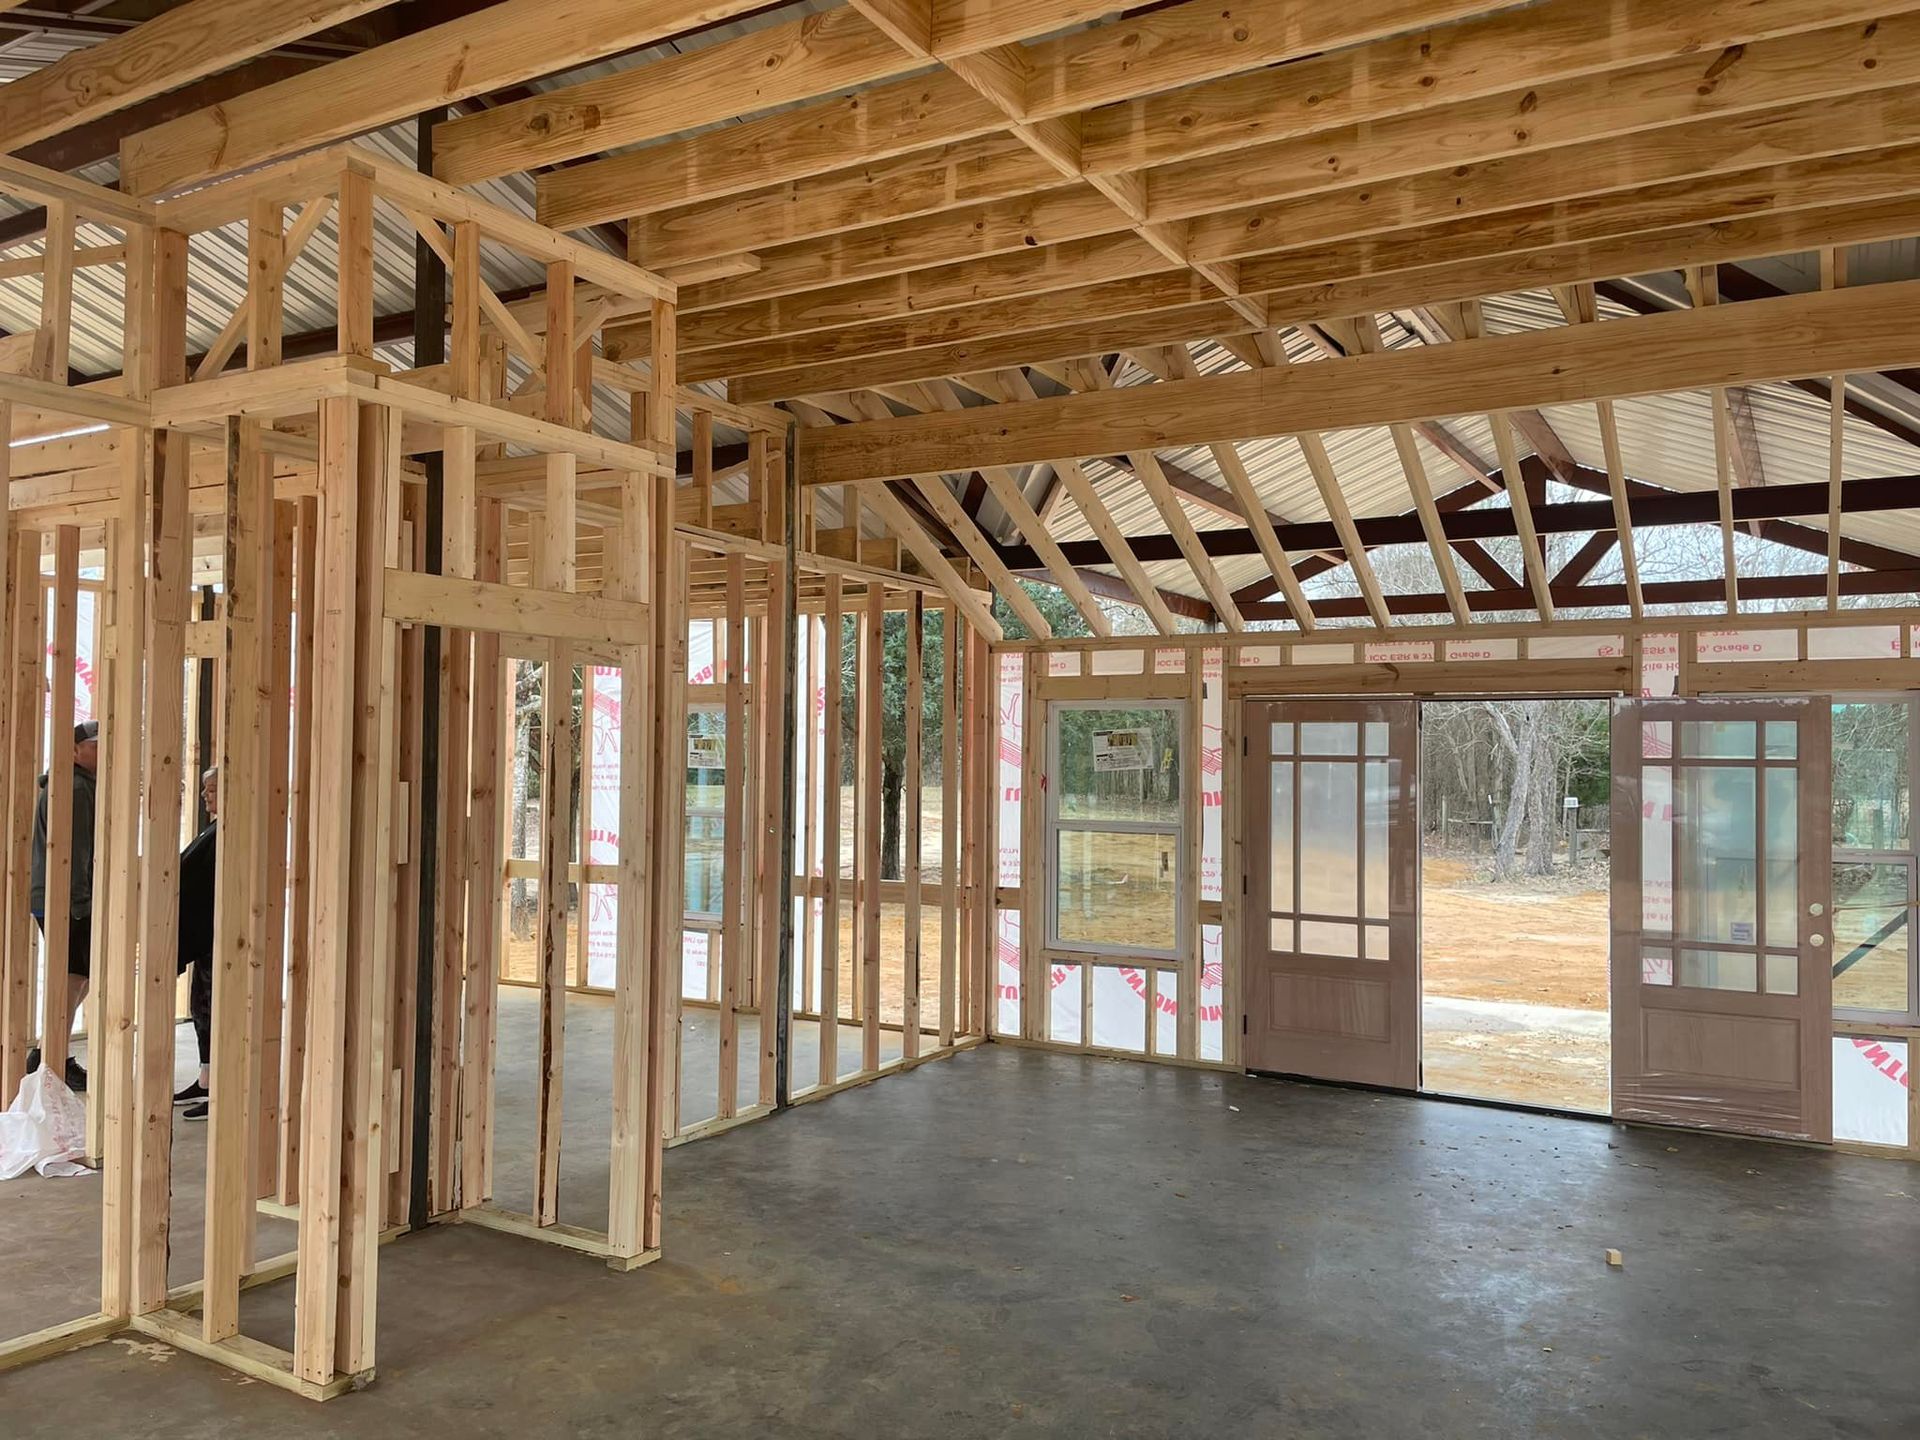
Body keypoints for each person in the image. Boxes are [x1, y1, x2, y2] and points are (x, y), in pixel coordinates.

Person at [26, 720, 98, 1092]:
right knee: (72, 980)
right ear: (75, 751)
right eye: (95, 745)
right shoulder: (76, 789)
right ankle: (51, 1059)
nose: (102, 752)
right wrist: (82, 904)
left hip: (55, 897)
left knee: (76, 979)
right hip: (67, 900)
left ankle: (49, 1053)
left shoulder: (68, 785)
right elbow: (78, 851)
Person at [174, 767, 218, 1121]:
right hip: (202, 939)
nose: (206, 796)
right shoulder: (212, 829)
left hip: (217, 937)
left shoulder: (227, 833)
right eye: (205, 790)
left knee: (215, 1011)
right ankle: (205, 1079)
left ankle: (218, 1088)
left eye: (213, 789)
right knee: (200, 1009)